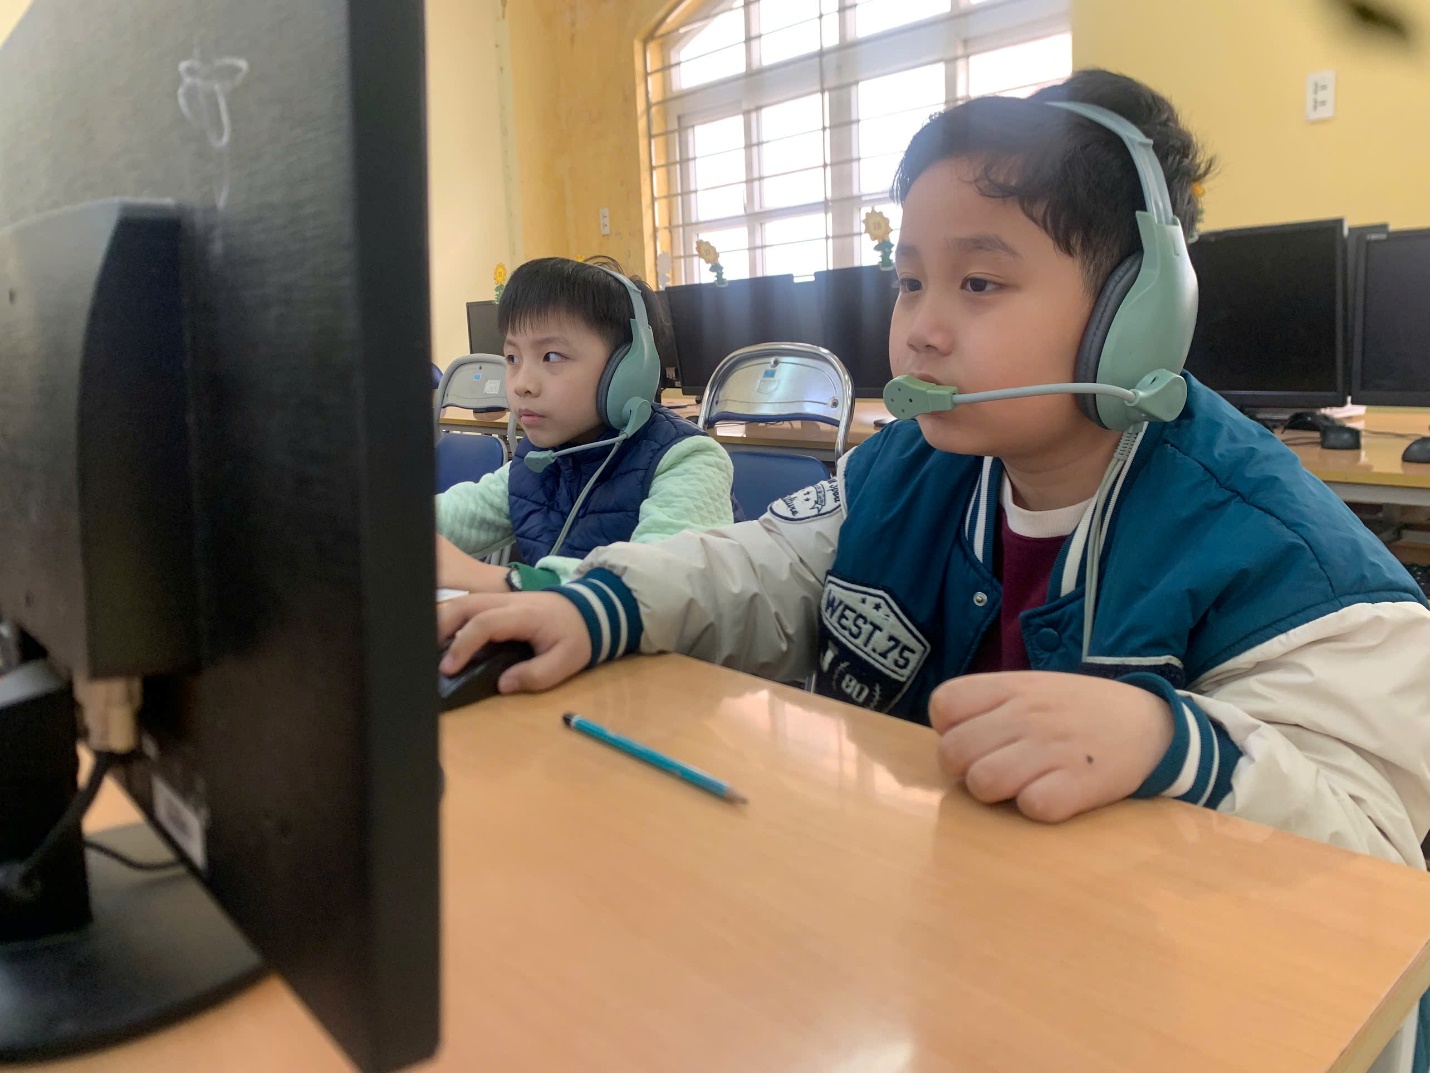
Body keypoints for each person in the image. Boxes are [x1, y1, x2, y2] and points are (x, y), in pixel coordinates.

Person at [441, 71, 1430, 1070]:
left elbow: (1377, 866)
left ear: (1137, 315)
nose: (918, 326)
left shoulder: (1285, 552)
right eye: (909, 280)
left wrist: (1178, 743)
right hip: (965, 975)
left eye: (979, 283)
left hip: (1179, 1014)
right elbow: (766, 561)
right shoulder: (906, 462)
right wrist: (601, 601)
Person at [436, 256, 739, 593]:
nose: (522, 384)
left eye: (551, 356)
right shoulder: (538, 462)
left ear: (628, 370)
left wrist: (510, 582)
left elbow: (662, 583)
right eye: (512, 358)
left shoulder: (686, 459)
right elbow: (454, 516)